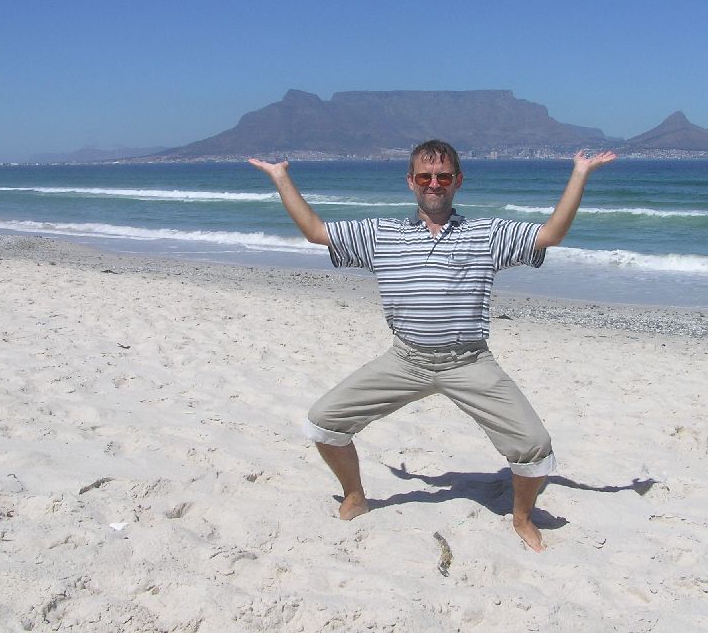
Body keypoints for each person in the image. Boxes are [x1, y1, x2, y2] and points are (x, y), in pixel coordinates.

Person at [249, 140, 616, 551]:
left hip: (469, 362)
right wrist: (281, 177)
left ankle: (522, 517)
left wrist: (579, 174)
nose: (434, 184)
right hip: (405, 360)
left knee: (534, 447)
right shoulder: (381, 235)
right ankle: (355, 494)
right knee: (324, 422)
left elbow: (551, 234)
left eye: (443, 176)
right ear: (411, 182)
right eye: (425, 177)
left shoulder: (487, 234)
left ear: (458, 181)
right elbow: (316, 232)